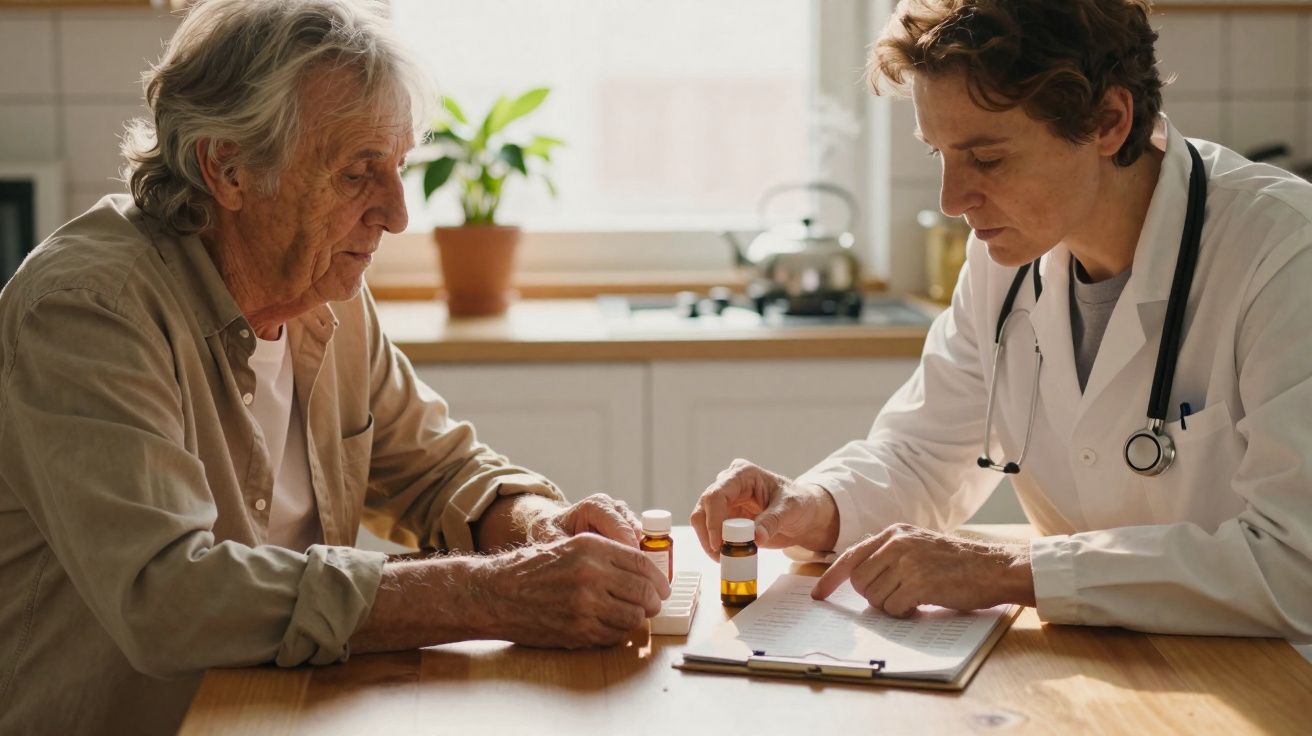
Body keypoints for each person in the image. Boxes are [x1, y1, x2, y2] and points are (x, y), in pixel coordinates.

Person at [0, 2, 667, 734]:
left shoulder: (323, 292)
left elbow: (437, 471)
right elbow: (168, 597)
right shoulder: (88, 311)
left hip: (278, 713)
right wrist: (492, 594)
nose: (397, 212)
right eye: (358, 172)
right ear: (228, 169)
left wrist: (540, 526)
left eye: (398, 166)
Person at [692, 0, 1312, 641]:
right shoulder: (1007, 256)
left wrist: (1015, 570)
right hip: (1097, 664)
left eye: (986, 160)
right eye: (939, 154)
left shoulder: (1285, 254)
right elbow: (922, 455)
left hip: (1268, 684)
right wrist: (812, 506)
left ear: (1108, 122)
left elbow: (1299, 565)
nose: (952, 199)